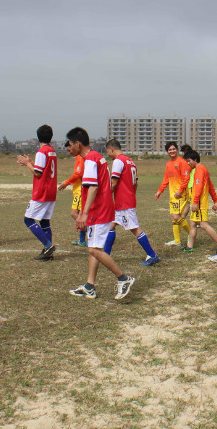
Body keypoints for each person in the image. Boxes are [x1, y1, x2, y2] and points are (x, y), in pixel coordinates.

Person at [66, 127, 135, 300]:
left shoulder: (90, 159)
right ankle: (89, 286)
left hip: (99, 210)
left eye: (70, 144)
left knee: (94, 250)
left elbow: (93, 187)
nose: (69, 148)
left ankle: (123, 278)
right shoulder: (97, 157)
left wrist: (84, 214)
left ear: (78, 143)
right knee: (94, 248)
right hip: (101, 209)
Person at [103, 139, 160, 266]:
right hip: (126, 199)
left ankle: (152, 255)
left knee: (134, 229)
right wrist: (131, 193)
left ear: (112, 149)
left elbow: (113, 183)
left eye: (108, 152)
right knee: (111, 225)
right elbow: (136, 183)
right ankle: (105, 255)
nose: (108, 155)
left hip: (123, 201)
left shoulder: (118, 161)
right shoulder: (131, 161)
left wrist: (104, 196)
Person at [16, 125, 57, 260]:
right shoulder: (52, 151)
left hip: (42, 191)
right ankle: (48, 253)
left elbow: (38, 173)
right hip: (51, 191)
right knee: (44, 221)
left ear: (38, 137)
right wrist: (31, 162)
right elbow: (44, 169)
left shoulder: (42, 151)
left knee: (28, 220)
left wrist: (27, 164)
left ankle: (48, 246)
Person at [183, 150, 217, 252]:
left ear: (195, 159)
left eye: (189, 161)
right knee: (192, 223)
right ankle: (189, 246)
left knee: (203, 225)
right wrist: (215, 200)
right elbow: (210, 186)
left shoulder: (200, 170)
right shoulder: (201, 169)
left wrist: (195, 202)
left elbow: (199, 186)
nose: (188, 163)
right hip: (198, 202)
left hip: (200, 203)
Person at [155, 141, 191, 246]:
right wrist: (160, 191)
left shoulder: (182, 162)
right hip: (173, 195)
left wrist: (180, 190)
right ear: (167, 152)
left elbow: (186, 178)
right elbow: (166, 179)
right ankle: (177, 241)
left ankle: (191, 234)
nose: (172, 151)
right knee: (174, 217)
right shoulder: (168, 164)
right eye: (170, 150)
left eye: (174, 149)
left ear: (177, 150)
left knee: (176, 217)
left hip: (181, 195)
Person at [58, 141, 86, 247]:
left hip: (80, 191)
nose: (69, 153)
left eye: (70, 150)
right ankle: (82, 240)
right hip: (78, 190)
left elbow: (78, 174)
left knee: (74, 214)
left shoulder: (80, 157)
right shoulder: (79, 157)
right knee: (79, 215)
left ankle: (90, 230)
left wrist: (66, 182)